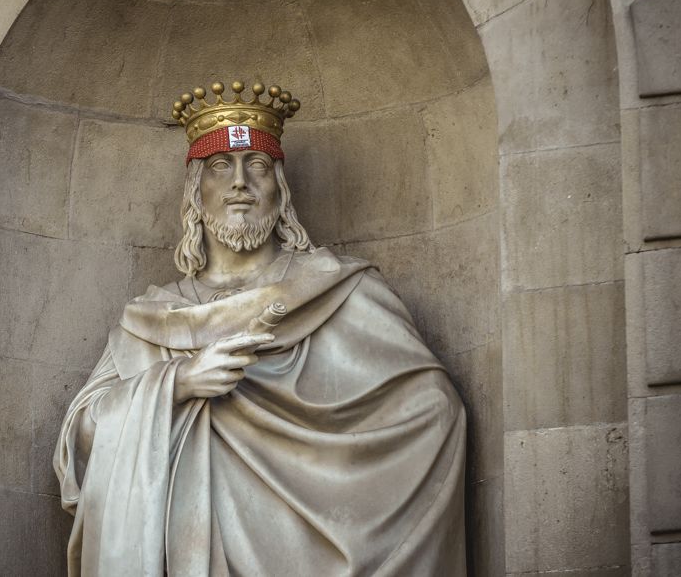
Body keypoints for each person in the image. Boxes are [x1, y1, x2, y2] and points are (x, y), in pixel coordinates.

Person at [54, 80, 466, 576]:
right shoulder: (153, 317)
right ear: (195, 192)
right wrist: (177, 385)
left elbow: (433, 408)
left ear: (280, 189)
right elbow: (82, 439)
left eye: (258, 165)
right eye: (220, 166)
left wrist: (332, 462)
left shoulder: (339, 290)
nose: (240, 183)